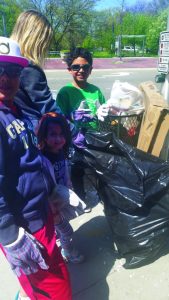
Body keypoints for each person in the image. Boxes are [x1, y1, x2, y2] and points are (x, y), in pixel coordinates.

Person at [0, 36, 72, 300]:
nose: (6, 78)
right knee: (55, 290)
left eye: (13, 71)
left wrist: (54, 189)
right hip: (24, 228)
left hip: (41, 214)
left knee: (49, 283)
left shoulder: (13, 108)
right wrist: (10, 236)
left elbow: (30, 157)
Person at [56, 47, 106, 203]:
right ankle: (81, 200)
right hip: (75, 143)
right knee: (78, 173)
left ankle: (98, 196)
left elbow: (104, 113)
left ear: (91, 69)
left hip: (94, 141)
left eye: (85, 67)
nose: (81, 70)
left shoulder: (96, 91)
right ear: (69, 70)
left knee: (95, 172)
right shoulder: (65, 92)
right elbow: (59, 118)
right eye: (76, 67)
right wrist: (71, 122)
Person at [36, 112, 85, 263]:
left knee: (60, 229)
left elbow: (64, 172)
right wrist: (52, 209)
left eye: (61, 134)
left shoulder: (60, 153)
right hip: (51, 205)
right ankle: (68, 252)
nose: (58, 139)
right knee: (67, 230)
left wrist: (69, 185)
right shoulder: (42, 159)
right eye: (53, 134)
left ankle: (59, 242)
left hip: (61, 198)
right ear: (44, 136)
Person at [10, 9, 61, 131]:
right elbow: (48, 108)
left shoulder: (8, 64)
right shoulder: (29, 68)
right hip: (32, 131)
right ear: (37, 41)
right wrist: (74, 132)